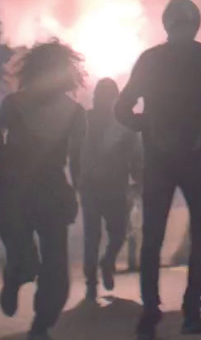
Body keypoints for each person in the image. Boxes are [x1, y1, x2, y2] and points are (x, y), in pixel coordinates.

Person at [116, 0, 201, 339]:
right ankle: (190, 312)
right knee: (200, 233)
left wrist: (144, 124)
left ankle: (151, 308)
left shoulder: (150, 59)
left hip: (158, 159)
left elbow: (121, 107)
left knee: (154, 235)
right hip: (195, 157)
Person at [0, 43, 85, 340]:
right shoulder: (17, 104)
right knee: (38, 258)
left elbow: (78, 158)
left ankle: (41, 321)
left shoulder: (22, 104)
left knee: (55, 263)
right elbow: (78, 160)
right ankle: (18, 279)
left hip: (38, 188)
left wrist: (5, 162)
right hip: (34, 188)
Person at [79, 79, 141, 304]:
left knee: (118, 233)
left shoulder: (123, 123)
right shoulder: (85, 120)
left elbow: (135, 153)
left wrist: (138, 177)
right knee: (92, 237)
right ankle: (91, 284)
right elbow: (74, 149)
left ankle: (107, 263)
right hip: (92, 187)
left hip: (115, 186)